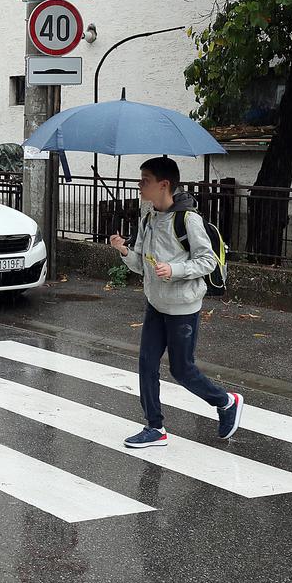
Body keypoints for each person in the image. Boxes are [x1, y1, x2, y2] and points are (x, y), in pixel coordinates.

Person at [110, 156, 242, 448]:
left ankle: (226, 401)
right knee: (146, 364)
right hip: (156, 303)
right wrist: (123, 252)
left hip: (183, 306)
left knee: (182, 370)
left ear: (164, 184)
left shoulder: (188, 220)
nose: (139, 185)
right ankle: (155, 427)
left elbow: (207, 261)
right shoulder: (148, 217)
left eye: (145, 180)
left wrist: (175, 270)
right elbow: (141, 265)